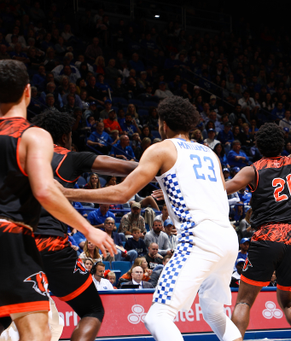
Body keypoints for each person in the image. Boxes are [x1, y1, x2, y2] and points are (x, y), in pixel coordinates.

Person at [57, 95, 242, 341]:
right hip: (229, 238)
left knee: (157, 316)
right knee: (214, 310)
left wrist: (67, 192)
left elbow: (122, 193)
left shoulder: (162, 148)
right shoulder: (211, 154)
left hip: (199, 238)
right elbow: (215, 193)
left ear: (164, 124)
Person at [0, 59, 115, 341]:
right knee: (37, 331)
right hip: (12, 237)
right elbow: (45, 190)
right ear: (28, 91)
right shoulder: (33, 135)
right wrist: (89, 229)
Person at [224, 100, 291, 341]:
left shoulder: (253, 170)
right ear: (281, 144)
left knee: (245, 300)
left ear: (258, 146)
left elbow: (222, 189)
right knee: (289, 302)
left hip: (268, 236)